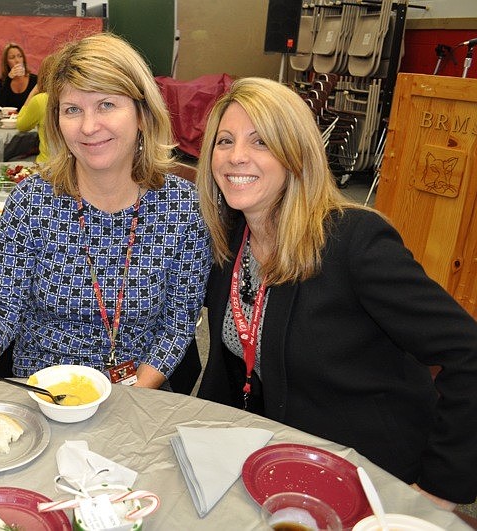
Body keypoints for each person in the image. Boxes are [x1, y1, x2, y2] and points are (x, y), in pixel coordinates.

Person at [194, 77, 477, 509]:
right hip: (283, 466)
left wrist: (440, 490)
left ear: (296, 154)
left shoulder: (354, 241)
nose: (236, 157)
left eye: (262, 142)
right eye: (224, 141)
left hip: (372, 475)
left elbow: (469, 353)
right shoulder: (231, 239)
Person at [0, 33, 211, 417]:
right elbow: (0, 309)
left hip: (140, 396)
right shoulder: (32, 201)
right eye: (72, 110)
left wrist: (124, 397)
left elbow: (177, 326)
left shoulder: (182, 207)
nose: (88, 126)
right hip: (41, 399)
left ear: (143, 114)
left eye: (107, 104)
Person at [15, 53, 53, 164]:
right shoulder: (74, 98)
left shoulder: (41, 100)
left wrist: (33, 92)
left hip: (46, 165)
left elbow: (21, 125)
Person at [0, 43, 37, 110]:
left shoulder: (35, 80)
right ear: (6, 62)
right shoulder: (2, 82)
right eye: (12, 57)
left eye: (20, 56)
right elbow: (0, 104)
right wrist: (8, 79)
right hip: (8, 119)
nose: (17, 60)